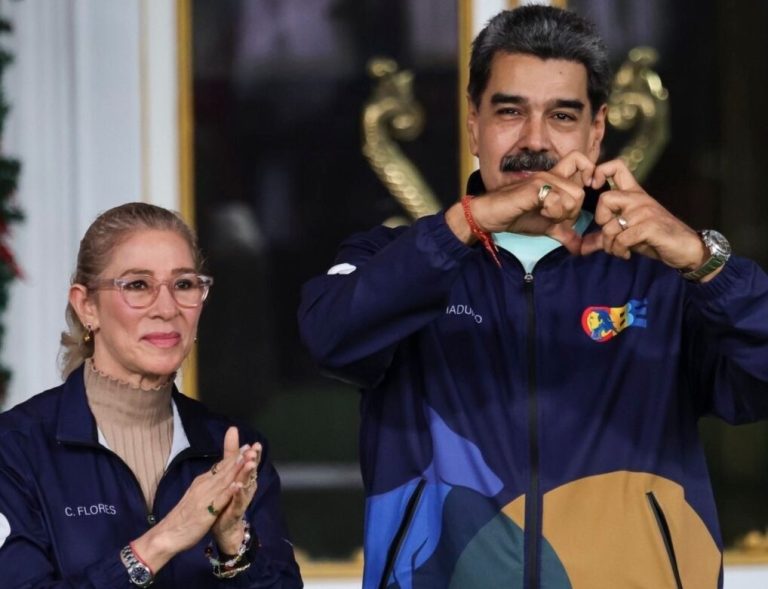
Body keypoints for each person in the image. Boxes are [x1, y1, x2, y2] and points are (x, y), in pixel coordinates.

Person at [298, 6, 768, 589]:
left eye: (562, 115)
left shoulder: (660, 277)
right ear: (474, 125)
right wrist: (467, 223)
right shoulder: (400, 259)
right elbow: (329, 336)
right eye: (510, 111)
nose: (534, 140)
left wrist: (704, 260)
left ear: (596, 131)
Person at [0, 203, 302, 587]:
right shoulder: (15, 449)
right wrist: (161, 541)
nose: (167, 308)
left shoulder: (233, 450)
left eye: (184, 284)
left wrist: (234, 545)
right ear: (87, 306)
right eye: (138, 285)